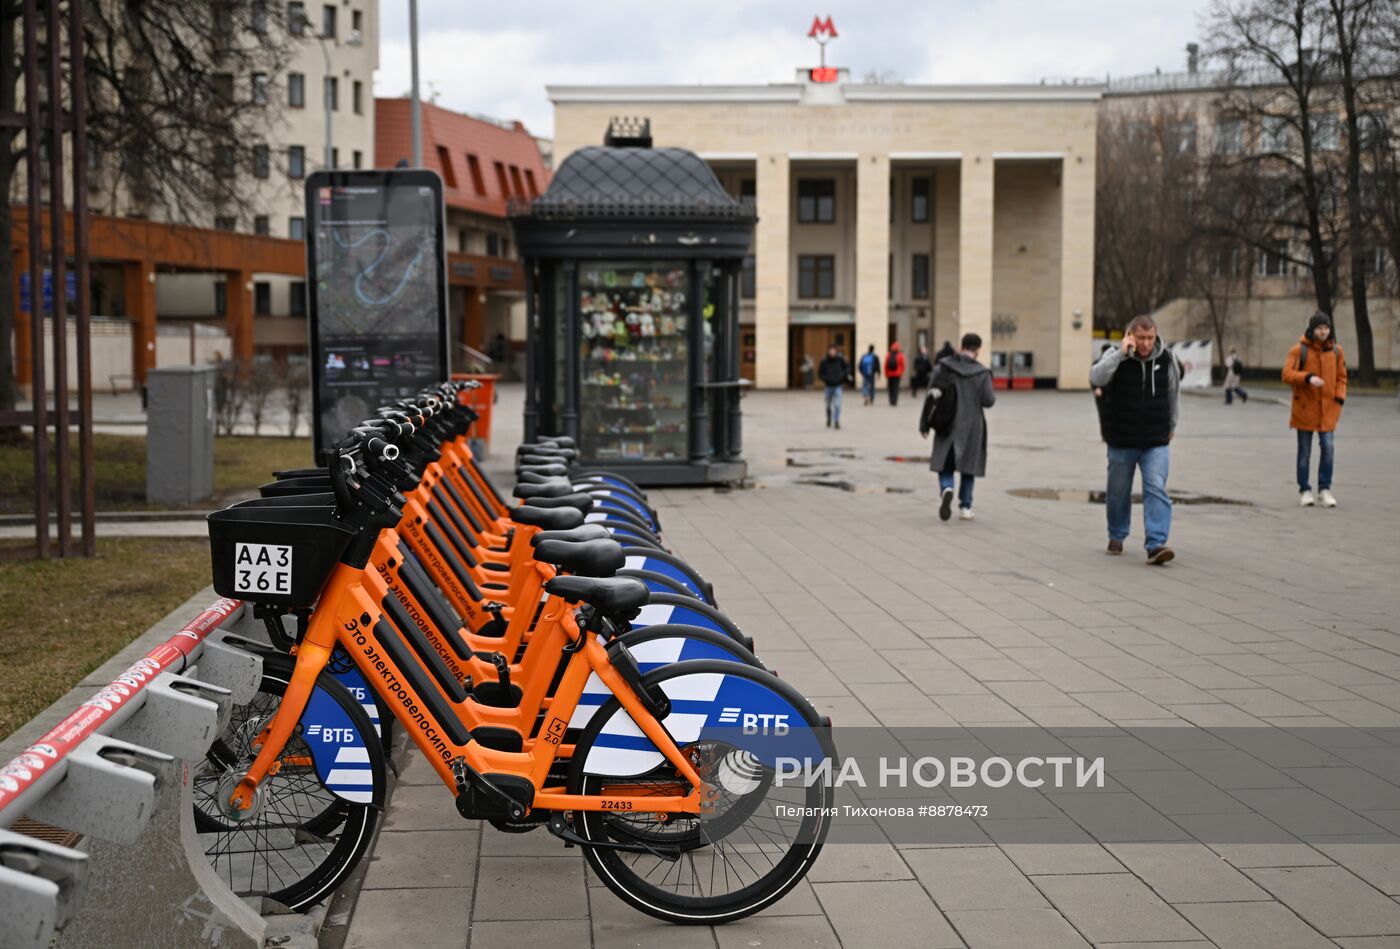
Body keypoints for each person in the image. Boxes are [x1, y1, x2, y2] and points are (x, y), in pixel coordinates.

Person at [1089, 314, 1181, 565]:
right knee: (1118, 492)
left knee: (1156, 487)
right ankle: (1117, 534)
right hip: (1122, 437)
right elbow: (1096, 377)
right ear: (1131, 335)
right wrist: (1120, 354)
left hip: (1156, 438)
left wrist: (1172, 424)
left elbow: (1173, 393)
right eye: (1141, 338)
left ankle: (1156, 543)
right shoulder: (1114, 355)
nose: (1146, 344)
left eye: (1150, 338)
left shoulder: (1167, 358)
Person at [923, 333, 995, 521]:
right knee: (968, 467)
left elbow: (931, 394)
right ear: (977, 350)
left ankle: (946, 488)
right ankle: (965, 507)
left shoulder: (944, 367)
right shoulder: (982, 373)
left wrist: (924, 423)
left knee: (945, 464)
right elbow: (989, 401)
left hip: (946, 422)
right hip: (972, 426)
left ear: (961, 346)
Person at [1283, 311, 1347, 508]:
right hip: (1305, 408)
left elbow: (1342, 377)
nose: (1324, 331)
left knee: (1328, 448)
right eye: (1320, 328)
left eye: (1326, 328)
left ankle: (1324, 489)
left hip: (1328, 409)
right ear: (1312, 329)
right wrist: (1308, 378)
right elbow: (1287, 374)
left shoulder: (1336, 351)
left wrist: (1339, 398)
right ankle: (1305, 489)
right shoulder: (1299, 350)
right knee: (1304, 451)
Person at [817, 345, 850, 429]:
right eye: (830, 351)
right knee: (828, 405)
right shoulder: (824, 361)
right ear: (828, 352)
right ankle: (829, 418)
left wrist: (843, 376)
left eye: (833, 351)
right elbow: (820, 373)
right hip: (828, 386)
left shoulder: (840, 360)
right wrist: (825, 379)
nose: (832, 352)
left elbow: (847, 368)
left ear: (836, 352)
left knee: (837, 405)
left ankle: (836, 421)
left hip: (837, 386)